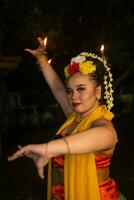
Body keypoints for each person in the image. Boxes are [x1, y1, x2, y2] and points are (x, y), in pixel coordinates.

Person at [8, 37, 126, 200]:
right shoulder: (75, 117)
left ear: (98, 91)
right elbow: (57, 87)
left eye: (81, 89)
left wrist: (47, 148)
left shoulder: (103, 126)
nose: (73, 96)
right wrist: (42, 59)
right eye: (70, 91)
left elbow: (103, 135)